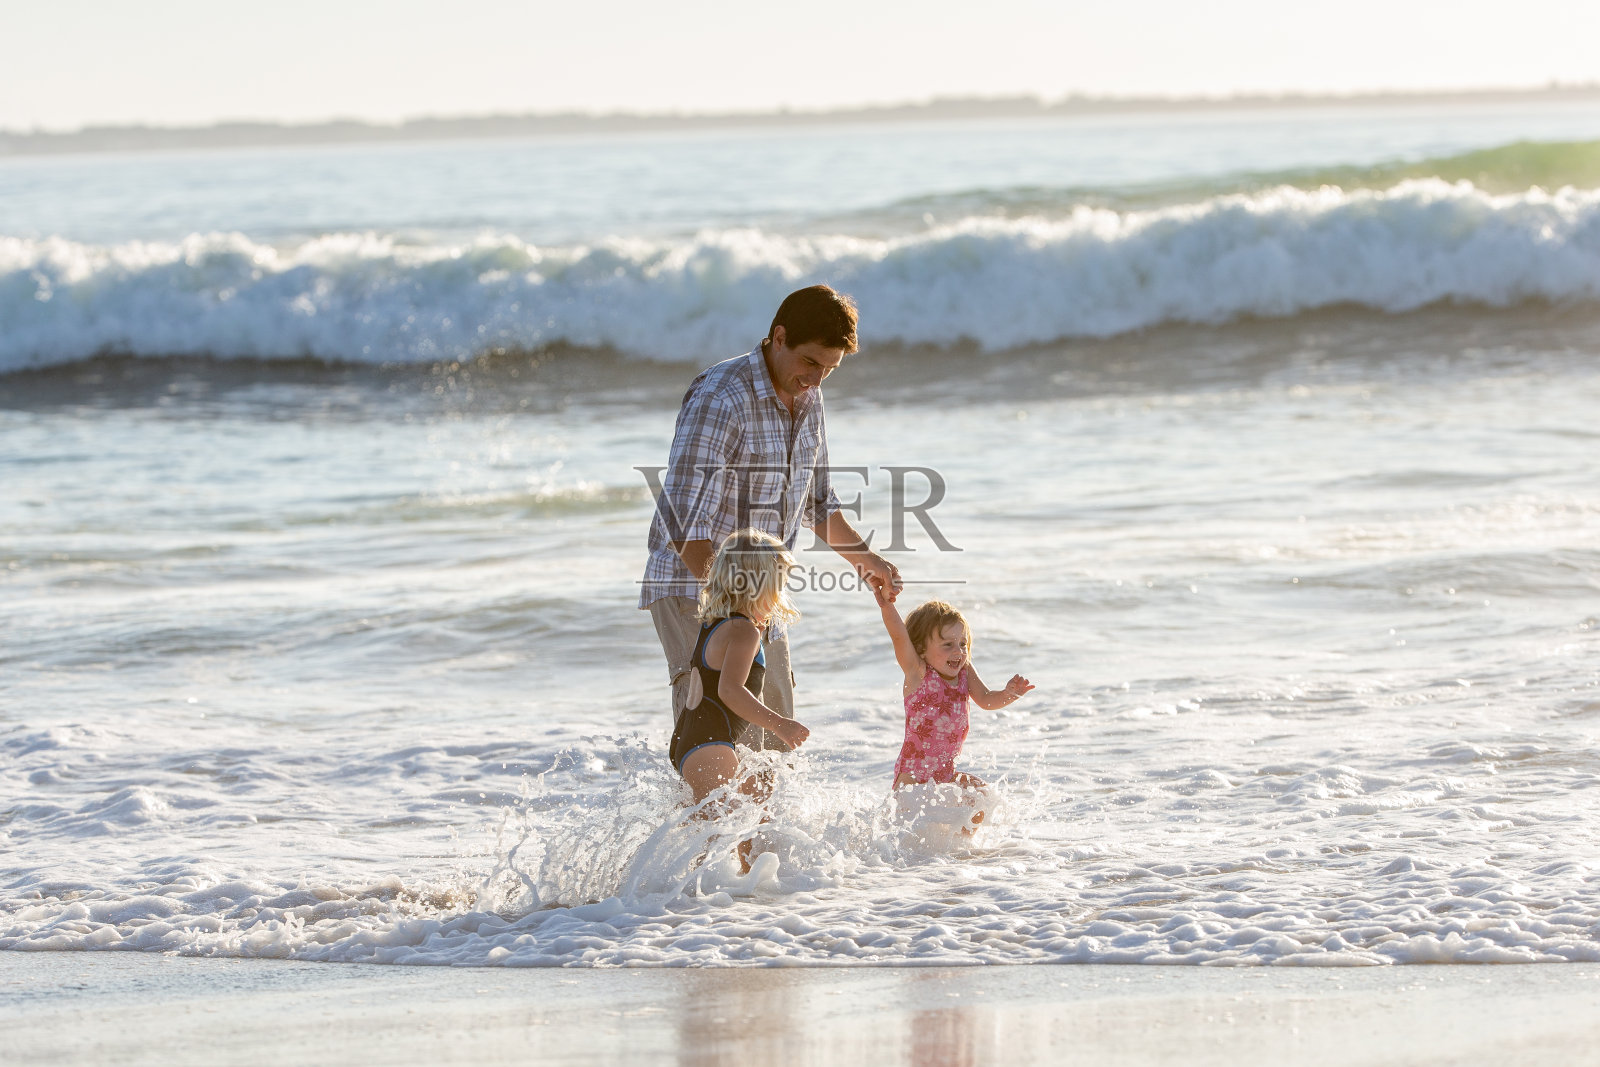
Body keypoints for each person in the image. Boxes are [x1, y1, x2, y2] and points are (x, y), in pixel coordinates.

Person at [641, 284, 902, 750]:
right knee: (718, 745)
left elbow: (817, 503)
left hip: (762, 594)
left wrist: (868, 562)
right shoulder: (721, 396)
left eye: (829, 369)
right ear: (778, 337)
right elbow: (683, 518)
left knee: (777, 744)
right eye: (810, 362)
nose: (816, 379)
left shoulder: (810, 398)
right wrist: (729, 607)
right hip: (695, 586)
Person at [668, 529, 809, 870]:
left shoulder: (716, 623)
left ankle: (751, 880)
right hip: (710, 745)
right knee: (710, 843)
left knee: (747, 808)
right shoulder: (743, 631)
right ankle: (676, 893)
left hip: (693, 740)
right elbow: (729, 690)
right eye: (778, 584)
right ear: (759, 585)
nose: (781, 593)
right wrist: (780, 724)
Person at [874, 588, 1035, 828]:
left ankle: (959, 848)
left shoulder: (964, 672)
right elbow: (899, 636)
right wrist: (886, 605)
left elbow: (986, 699)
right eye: (947, 644)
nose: (958, 651)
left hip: (944, 776)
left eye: (962, 643)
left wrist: (1008, 695)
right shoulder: (918, 673)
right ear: (920, 649)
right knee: (921, 830)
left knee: (984, 799)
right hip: (913, 784)